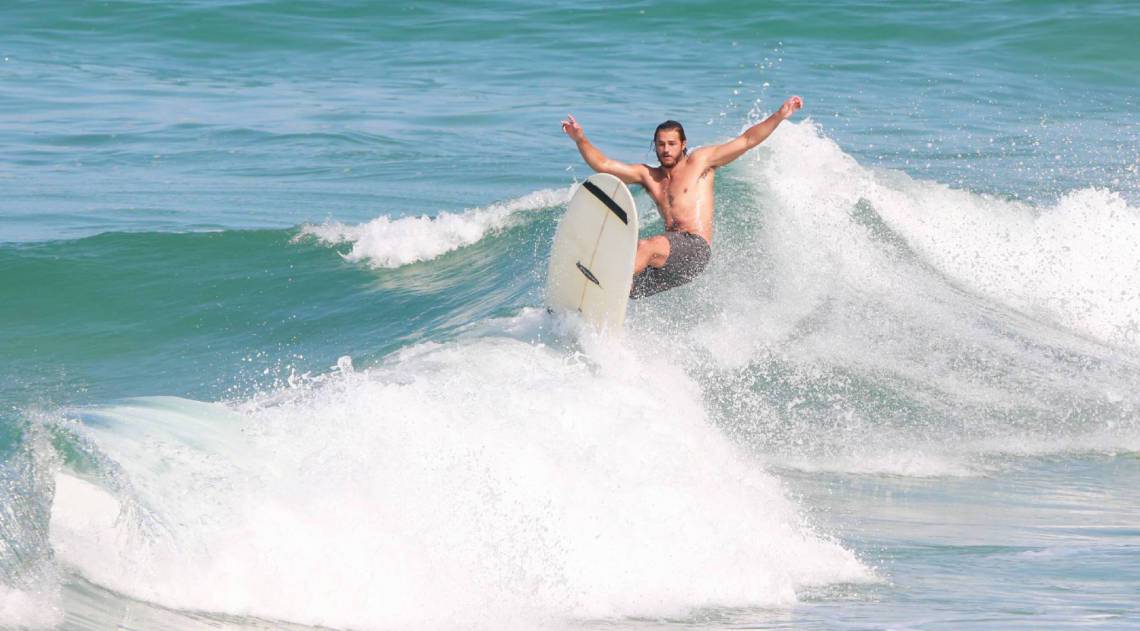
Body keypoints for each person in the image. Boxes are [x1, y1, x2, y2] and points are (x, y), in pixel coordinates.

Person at [561, 95, 803, 298]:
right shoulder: (649, 175)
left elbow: (747, 140)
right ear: (654, 146)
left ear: (683, 144)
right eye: (661, 144)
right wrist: (580, 139)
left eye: (672, 144)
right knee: (630, 289)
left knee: (644, 247)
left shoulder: (701, 162)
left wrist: (780, 115)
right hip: (670, 260)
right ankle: (595, 308)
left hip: (695, 249)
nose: (666, 149)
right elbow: (603, 165)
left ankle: (606, 283)